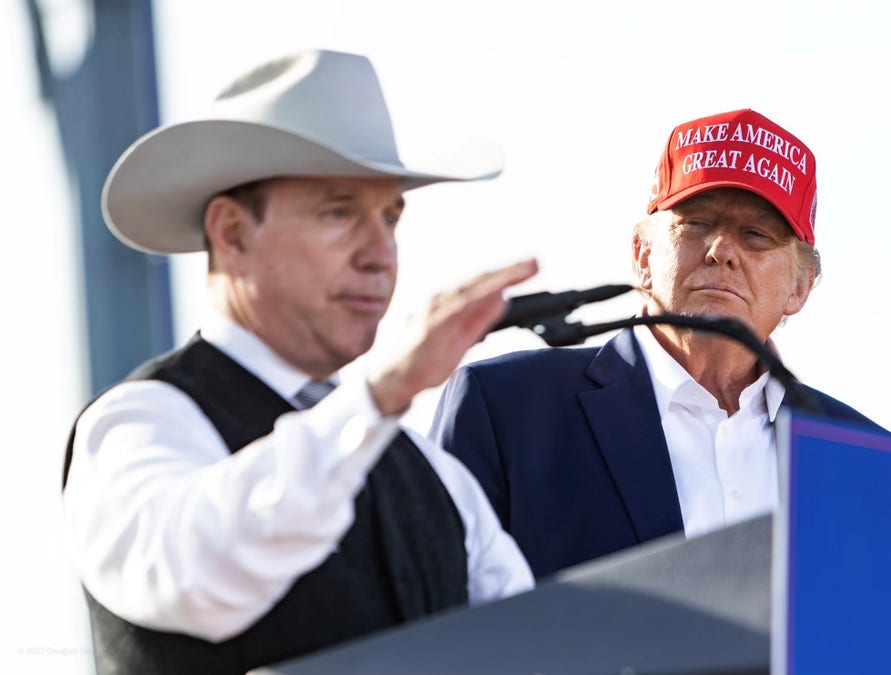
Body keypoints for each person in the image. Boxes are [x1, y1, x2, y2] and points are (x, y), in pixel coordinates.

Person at [61, 49, 538, 675]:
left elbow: (529, 647)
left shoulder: (430, 473)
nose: (380, 255)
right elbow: (195, 577)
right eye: (339, 213)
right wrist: (377, 396)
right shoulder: (140, 422)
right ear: (231, 232)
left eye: (390, 217)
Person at [430, 108, 891, 579]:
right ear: (643, 255)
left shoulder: (874, 461)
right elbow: (429, 620)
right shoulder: (507, 410)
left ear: (800, 287)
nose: (722, 251)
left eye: (755, 234)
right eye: (695, 223)